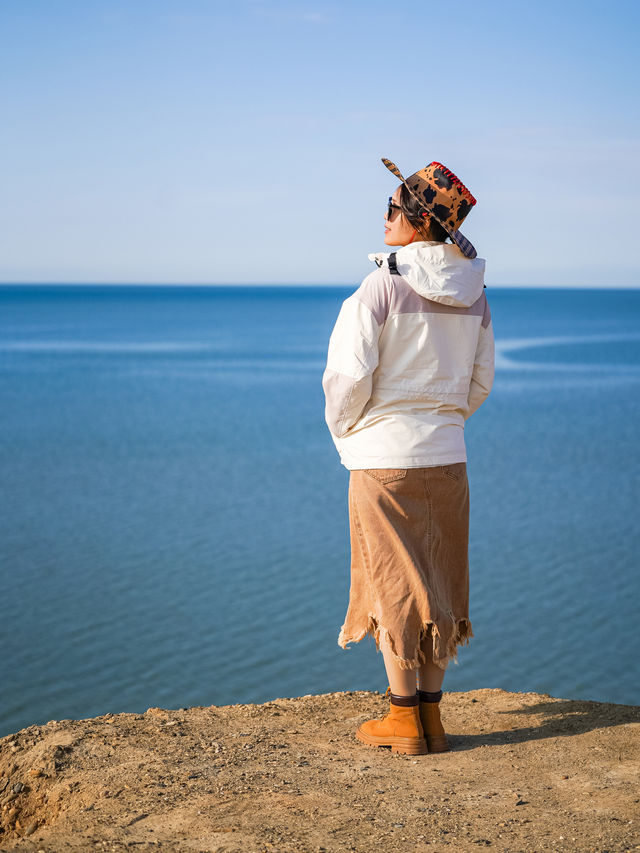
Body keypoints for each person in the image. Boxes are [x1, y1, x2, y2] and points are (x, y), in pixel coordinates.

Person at [322, 157, 495, 755]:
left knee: (392, 581)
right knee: (441, 579)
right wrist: (443, 421)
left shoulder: (381, 286)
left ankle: (402, 720)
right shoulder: (473, 295)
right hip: (448, 457)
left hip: (383, 457)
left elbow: (346, 381)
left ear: (419, 223)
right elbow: (480, 382)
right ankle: (431, 717)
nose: (385, 218)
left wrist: (350, 435)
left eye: (393, 209)